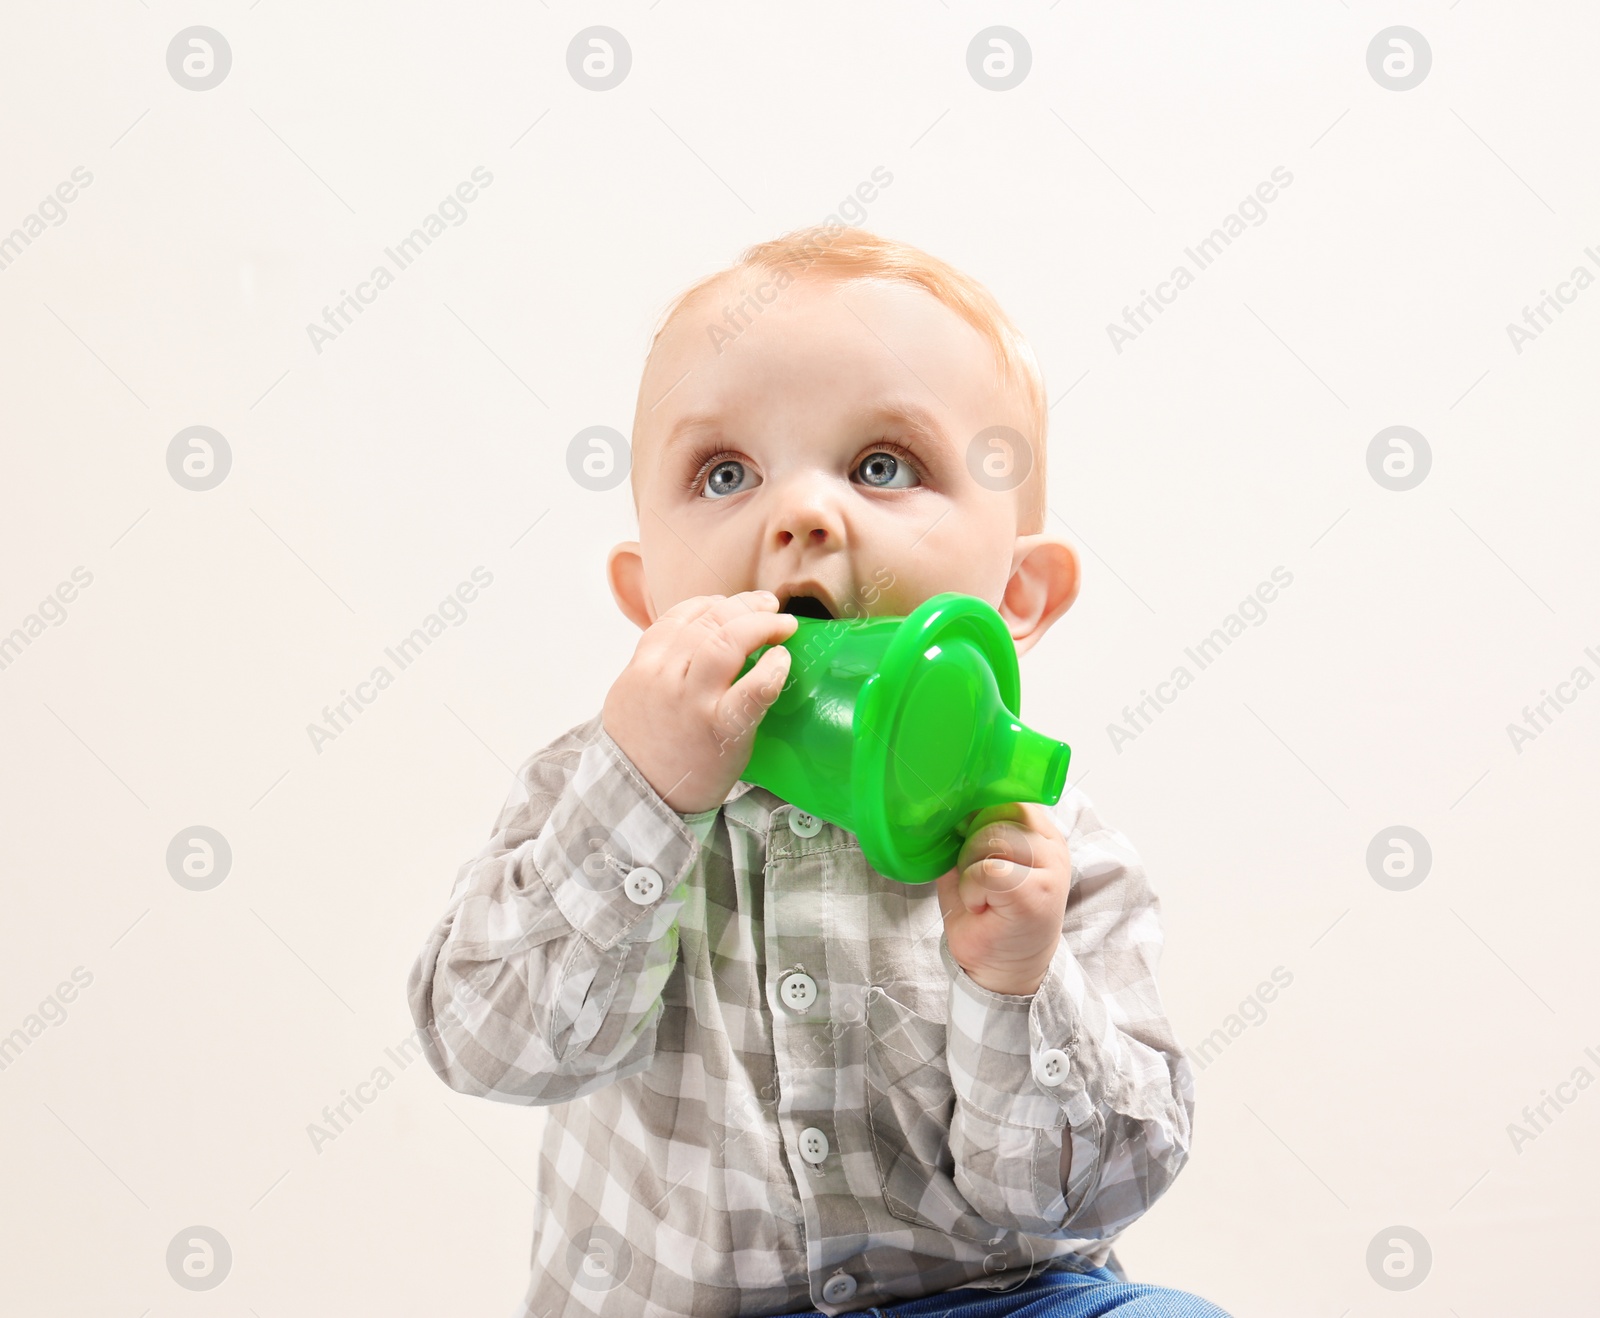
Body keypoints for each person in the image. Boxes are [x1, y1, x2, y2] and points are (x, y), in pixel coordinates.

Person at [406, 225, 1229, 1317]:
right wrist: (643, 796)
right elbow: (486, 1049)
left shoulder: (1044, 845)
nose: (799, 514)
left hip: (991, 1297)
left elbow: (1093, 1195)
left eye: (883, 465)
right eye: (724, 472)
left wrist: (1018, 983)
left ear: (1016, 598)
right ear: (648, 597)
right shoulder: (591, 793)